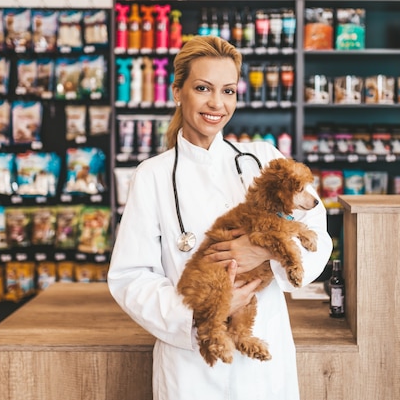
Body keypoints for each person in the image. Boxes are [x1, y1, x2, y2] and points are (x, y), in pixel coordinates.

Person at [107, 35, 332, 400]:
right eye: (202, 88)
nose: (217, 103)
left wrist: (263, 252)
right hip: (192, 368)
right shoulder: (152, 175)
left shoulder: (263, 158)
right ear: (178, 91)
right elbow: (131, 277)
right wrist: (203, 312)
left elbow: (317, 236)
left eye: (228, 91)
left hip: (264, 368)